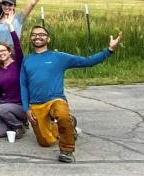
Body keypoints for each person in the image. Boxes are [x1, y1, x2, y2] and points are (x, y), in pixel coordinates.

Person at [21, 26, 122, 163]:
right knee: (45, 142)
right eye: (34, 34)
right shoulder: (27, 60)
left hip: (56, 99)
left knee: (62, 115)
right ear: (31, 38)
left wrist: (109, 50)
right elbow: (23, 85)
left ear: (48, 39)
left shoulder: (59, 57)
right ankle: (70, 125)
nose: (37, 36)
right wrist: (26, 109)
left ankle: (67, 150)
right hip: (36, 104)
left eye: (41, 34)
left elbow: (87, 61)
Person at [0, 20, 26, 139]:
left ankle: (19, 125)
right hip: (4, 104)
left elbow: (18, 46)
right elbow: (0, 84)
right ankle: (11, 123)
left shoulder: (18, 64)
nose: (0, 53)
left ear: (9, 51)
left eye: (3, 50)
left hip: (18, 106)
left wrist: (11, 28)